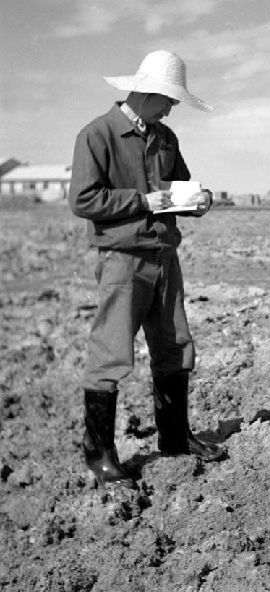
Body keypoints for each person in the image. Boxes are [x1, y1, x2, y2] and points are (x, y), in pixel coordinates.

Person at [69, 50, 225, 489]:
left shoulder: (166, 138)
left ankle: (174, 438)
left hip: (164, 258)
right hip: (122, 260)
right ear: (147, 92)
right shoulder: (97, 134)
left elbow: (180, 189)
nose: (172, 108)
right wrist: (141, 201)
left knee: (174, 344)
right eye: (169, 100)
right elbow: (83, 199)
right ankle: (100, 454)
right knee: (110, 353)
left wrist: (199, 200)